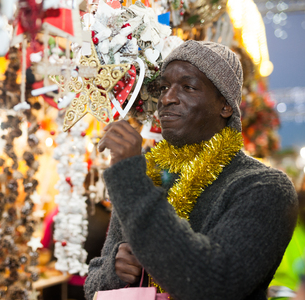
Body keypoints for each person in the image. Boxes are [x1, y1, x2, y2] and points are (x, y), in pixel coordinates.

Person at [84, 40, 298, 300]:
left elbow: (212, 284)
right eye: (164, 87)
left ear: (225, 106)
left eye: (188, 87)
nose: (167, 98)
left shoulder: (263, 187)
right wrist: (113, 271)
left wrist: (131, 177)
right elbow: (92, 286)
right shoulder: (149, 172)